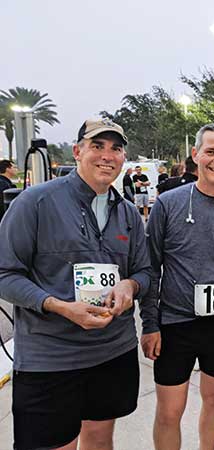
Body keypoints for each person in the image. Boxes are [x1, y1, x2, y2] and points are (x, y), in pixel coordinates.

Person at [0, 118, 151, 450]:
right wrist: (58, 306)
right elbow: (5, 275)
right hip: (51, 358)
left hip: (112, 352)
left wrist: (129, 286)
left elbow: (144, 272)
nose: (107, 156)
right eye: (97, 146)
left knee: (99, 438)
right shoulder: (35, 203)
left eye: (116, 148)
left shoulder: (127, 213)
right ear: (78, 150)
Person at [141, 123, 214, 450]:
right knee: (169, 410)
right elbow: (150, 266)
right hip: (176, 323)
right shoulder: (168, 204)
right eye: (210, 152)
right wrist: (150, 324)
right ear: (195, 155)